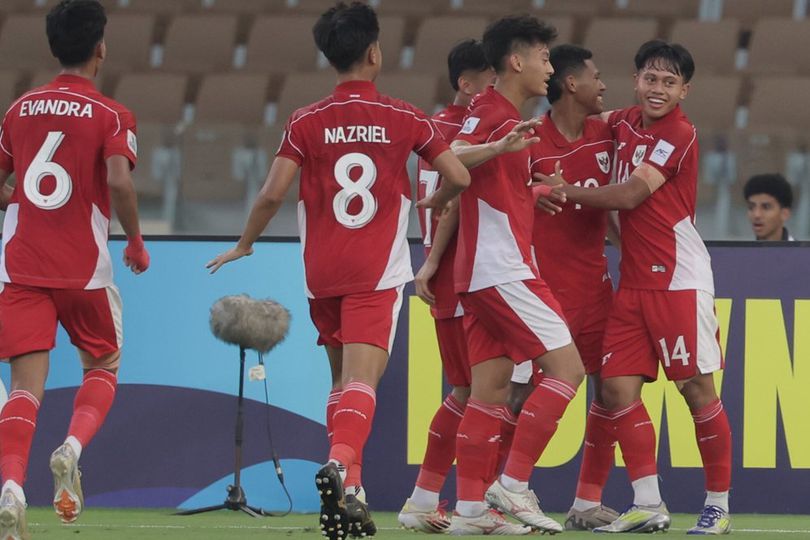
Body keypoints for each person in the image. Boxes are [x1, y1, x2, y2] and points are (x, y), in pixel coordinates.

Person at [206, 3, 470, 539]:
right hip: (375, 270)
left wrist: (245, 244)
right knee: (362, 382)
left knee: (339, 381)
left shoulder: (305, 120)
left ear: (330, 56)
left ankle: (354, 491)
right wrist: (436, 199)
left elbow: (272, 193)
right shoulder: (406, 117)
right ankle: (338, 465)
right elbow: (460, 175)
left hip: (321, 273)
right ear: (374, 52)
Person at [539, 40, 732, 535]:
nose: (658, 89)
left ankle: (718, 506)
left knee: (696, 390)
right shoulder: (623, 122)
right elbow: (574, 121)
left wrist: (563, 191)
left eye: (669, 82)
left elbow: (630, 194)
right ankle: (648, 501)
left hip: (678, 281)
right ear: (636, 80)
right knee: (616, 388)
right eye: (650, 78)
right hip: (633, 284)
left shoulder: (680, 132)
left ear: (685, 91)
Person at [420, 15, 585, 535]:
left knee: (487, 393)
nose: (550, 68)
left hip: (484, 272)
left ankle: (470, 512)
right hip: (502, 270)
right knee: (568, 370)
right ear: (516, 61)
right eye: (544, 57)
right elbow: (451, 157)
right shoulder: (491, 111)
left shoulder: (507, 116)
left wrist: (532, 193)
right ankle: (512, 483)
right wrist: (497, 147)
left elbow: (482, 187)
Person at [0, 1, 150, 538]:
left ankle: (11, 487)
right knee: (103, 365)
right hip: (84, 271)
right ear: (100, 48)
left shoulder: (19, 110)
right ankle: (71, 447)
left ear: (52, 47)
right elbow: (119, 180)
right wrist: (135, 239)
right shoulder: (112, 114)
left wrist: (17, 204)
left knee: (24, 388)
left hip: (23, 268)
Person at [506, 44, 622, 531]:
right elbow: (493, 198)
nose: (603, 85)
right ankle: (496, 493)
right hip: (540, 295)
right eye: (596, 76)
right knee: (515, 397)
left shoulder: (608, 133)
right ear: (572, 84)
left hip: (595, 291)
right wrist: (531, 194)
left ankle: (587, 502)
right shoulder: (528, 139)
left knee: (611, 391)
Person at [397, 39, 495, 534]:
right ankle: (475, 504)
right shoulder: (465, 133)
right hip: (465, 276)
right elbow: (456, 203)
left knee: (468, 390)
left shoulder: (432, 128)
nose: (496, 89)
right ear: (466, 83)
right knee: (487, 391)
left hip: (453, 275)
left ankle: (424, 498)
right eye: (490, 81)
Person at [744, 173, 795, 241]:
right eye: (751, 207)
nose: (756, 215)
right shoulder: (740, 248)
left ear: (785, 214)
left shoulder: (801, 248)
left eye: (766, 207)